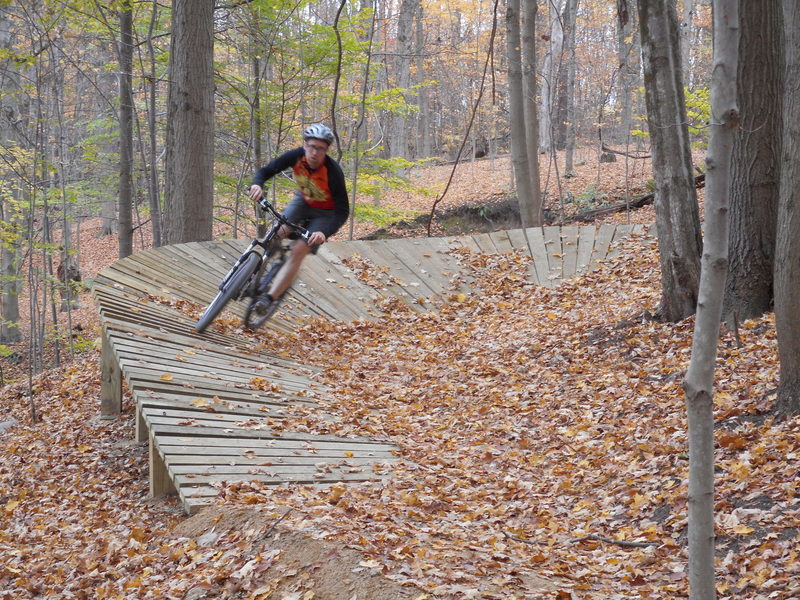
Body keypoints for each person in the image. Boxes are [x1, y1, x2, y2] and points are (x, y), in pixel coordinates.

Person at [247, 123, 349, 316]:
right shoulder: (295, 156)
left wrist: (324, 232)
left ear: (327, 151)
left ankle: (268, 299)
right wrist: (257, 185)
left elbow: (343, 211)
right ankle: (255, 271)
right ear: (304, 145)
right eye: (311, 146)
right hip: (302, 202)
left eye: (320, 148)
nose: (315, 152)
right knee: (276, 234)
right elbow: (266, 171)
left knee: (299, 250)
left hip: (324, 214)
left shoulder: (333, 172)